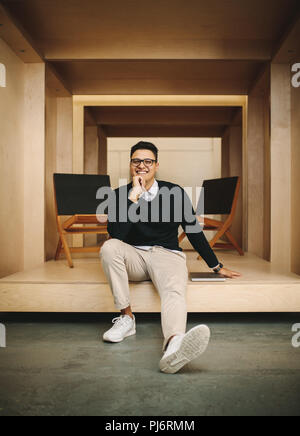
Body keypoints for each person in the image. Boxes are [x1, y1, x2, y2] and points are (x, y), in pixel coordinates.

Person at [100, 141, 241, 374]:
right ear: (130, 165)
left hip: (166, 255)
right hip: (134, 256)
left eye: (147, 161)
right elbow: (117, 234)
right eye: (136, 161)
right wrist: (133, 196)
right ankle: (126, 319)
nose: (141, 165)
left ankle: (174, 344)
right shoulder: (118, 196)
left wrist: (216, 265)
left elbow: (193, 230)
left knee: (173, 291)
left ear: (156, 165)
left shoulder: (174, 192)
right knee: (109, 247)